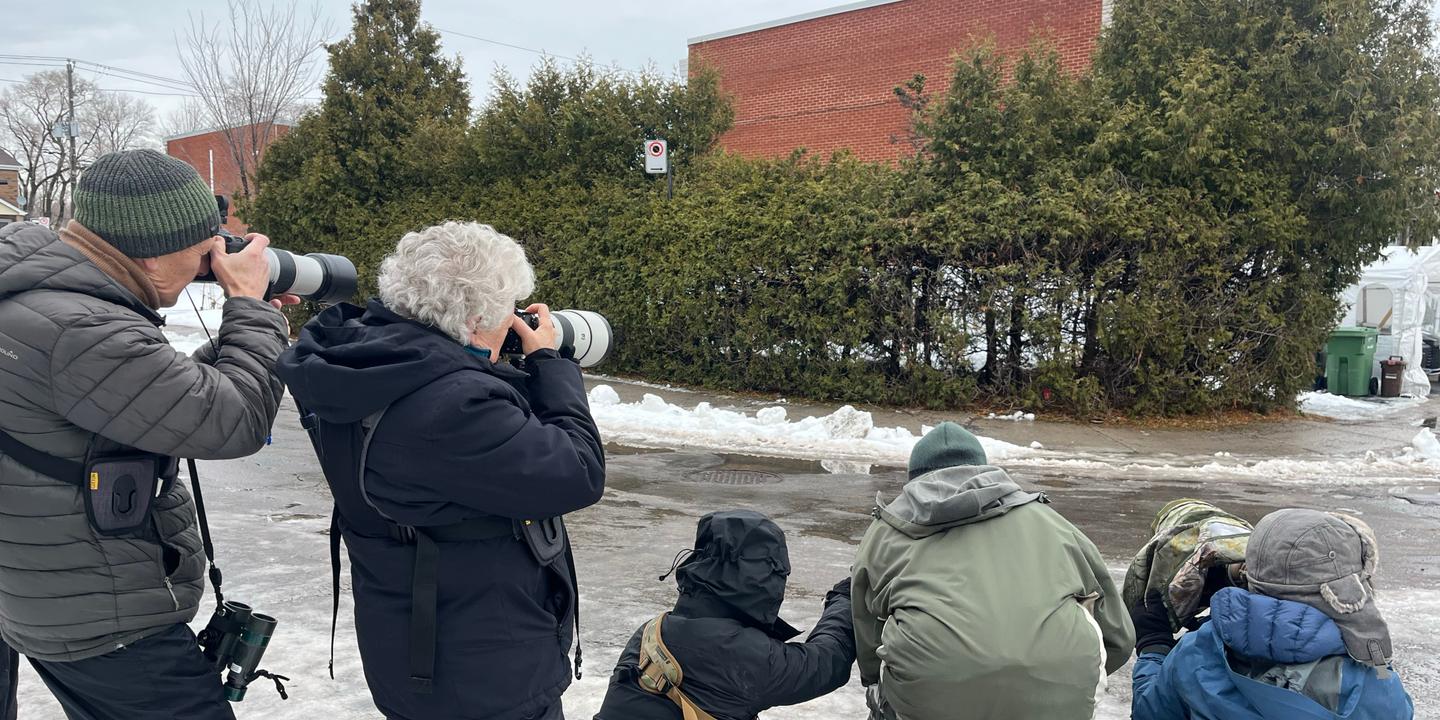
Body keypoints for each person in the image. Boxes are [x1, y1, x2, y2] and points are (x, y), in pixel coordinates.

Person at [0, 149, 294, 719]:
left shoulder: (42, 302)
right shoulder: (81, 327)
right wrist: (250, 310)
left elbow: (153, 397)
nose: (212, 261)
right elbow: (231, 423)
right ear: (153, 254)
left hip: (54, 596)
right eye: (204, 249)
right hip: (107, 620)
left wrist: (246, 332)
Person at [278, 221, 605, 720]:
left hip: (410, 647)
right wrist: (551, 364)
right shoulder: (455, 405)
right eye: (505, 312)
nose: (510, 325)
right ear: (474, 321)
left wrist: (489, 364)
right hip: (483, 675)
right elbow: (578, 471)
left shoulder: (359, 363)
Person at [851, 422, 1134, 720]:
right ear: (984, 470)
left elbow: (869, 632)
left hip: (933, 697)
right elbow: (1119, 636)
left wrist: (874, 681)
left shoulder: (885, 532)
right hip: (1061, 695)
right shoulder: (1052, 523)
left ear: (914, 478)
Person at [1130, 508, 1414, 719]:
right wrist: (1361, 627)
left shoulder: (1199, 649)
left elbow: (1150, 713)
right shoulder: (1367, 677)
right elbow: (1396, 706)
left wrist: (1154, 646)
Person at [594, 509, 855, 720]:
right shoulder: (745, 655)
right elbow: (827, 662)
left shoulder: (651, 631)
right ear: (763, 580)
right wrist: (844, 598)